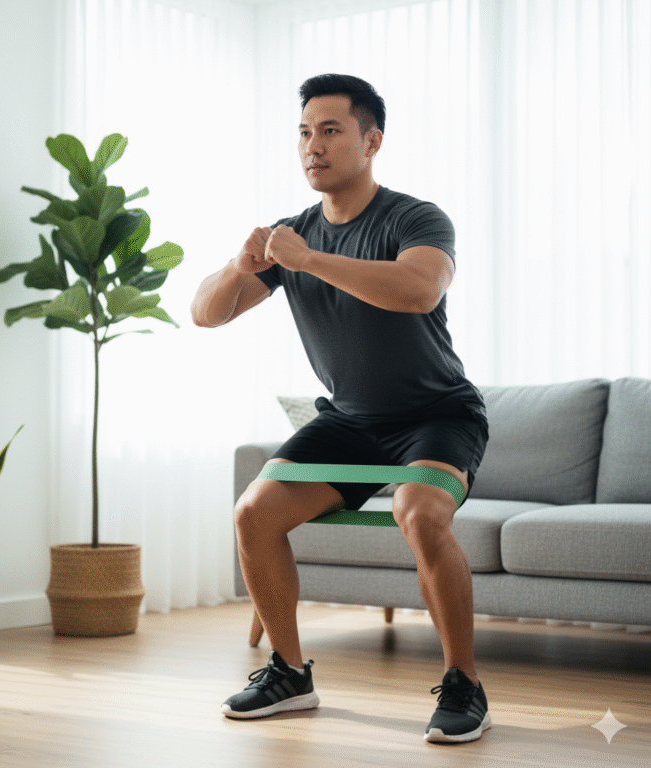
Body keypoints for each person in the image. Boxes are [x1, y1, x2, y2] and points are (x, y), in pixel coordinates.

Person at [190, 73, 491, 744]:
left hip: (437, 414)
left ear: (371, 140)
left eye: (330, 130)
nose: (312, 146)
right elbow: (205, 315)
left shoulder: (415, 217)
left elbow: (418, 289)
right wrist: (241, 268)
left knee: (420, 513)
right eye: (304, 132)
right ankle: (291, 673)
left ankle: (464, 682)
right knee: (254, 513)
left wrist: (309, 259)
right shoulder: (290, 234)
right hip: (351, 421)